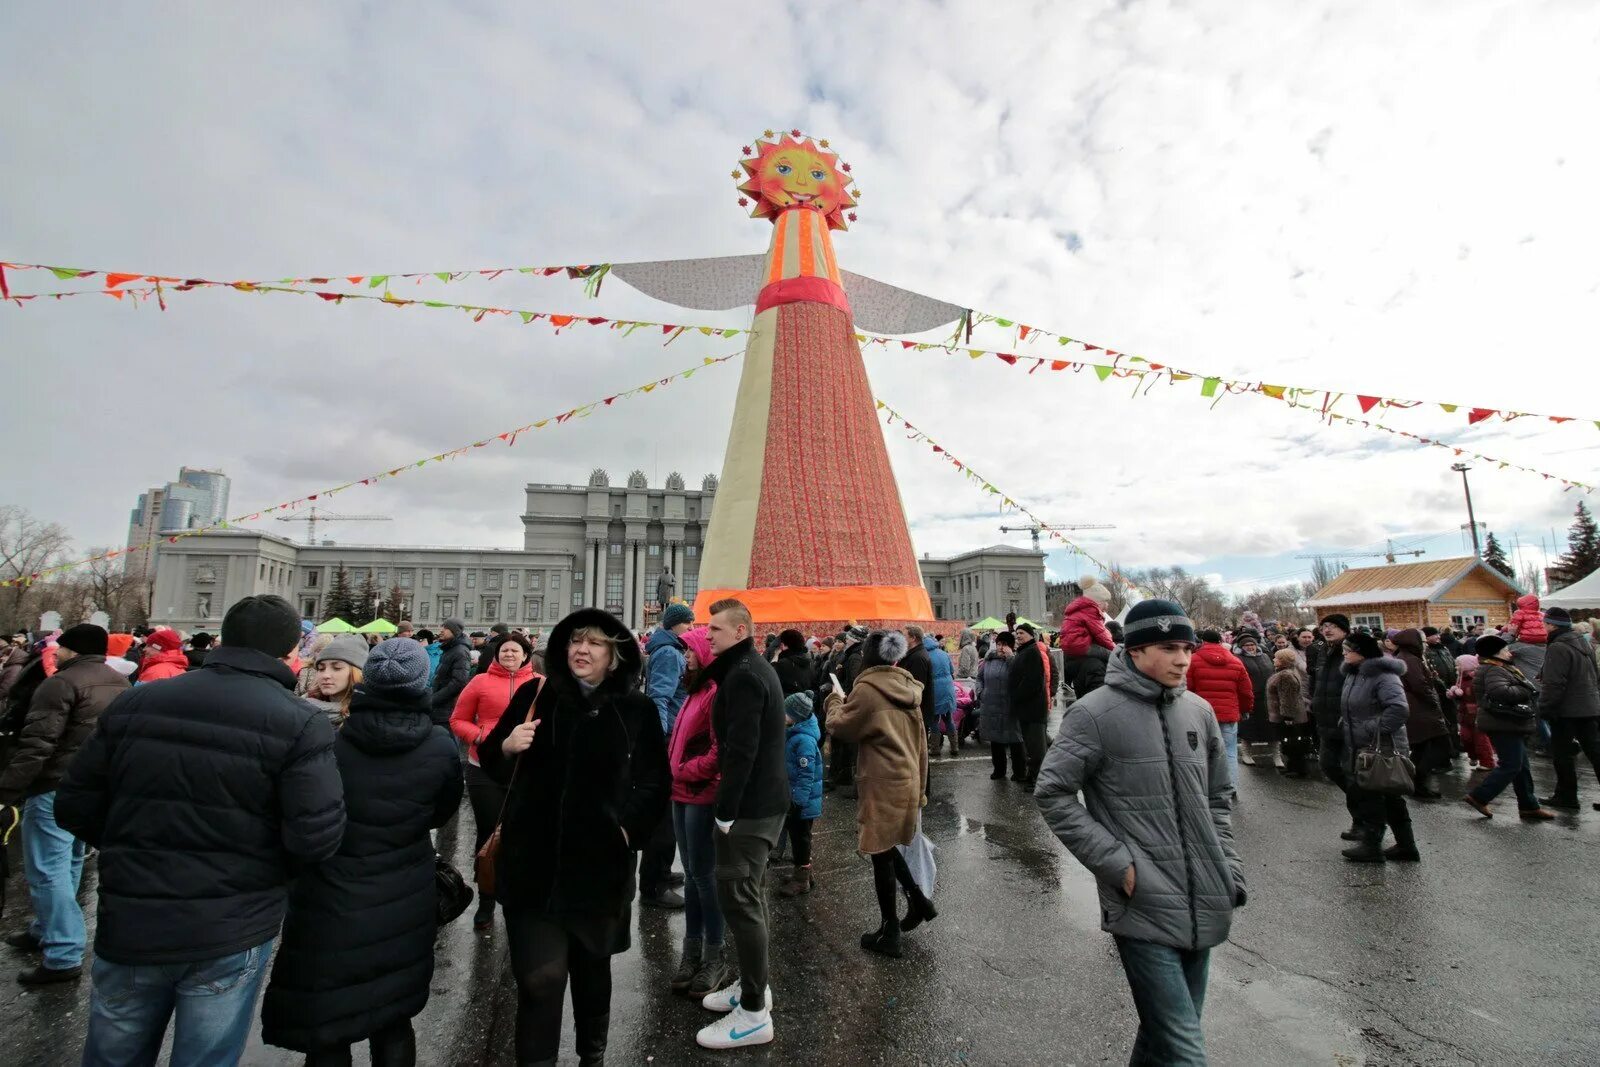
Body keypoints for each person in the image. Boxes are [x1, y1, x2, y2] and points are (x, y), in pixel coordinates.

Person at [56, 595, 346, 1065]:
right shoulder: (299, 721)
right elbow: (315, 837)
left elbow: (74, 806)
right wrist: (260, 873)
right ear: (292, 650)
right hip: (231, 923)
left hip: (134, 915)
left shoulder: (138, 701)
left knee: (114, 1054)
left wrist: (133, 851)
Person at [1035, 599, 1244, 1065]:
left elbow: (1217, 798)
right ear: (1134, 650)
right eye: (1169, 648)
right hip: (1142, 898)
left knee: (1164, 1036)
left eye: (1187, 647)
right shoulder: (1093, 715)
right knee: (1185, 1048)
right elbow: (1052, 793)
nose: (1183, 659)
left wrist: (1228, 867)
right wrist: (1118, 865)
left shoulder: (1199, 712)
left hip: (1206, 893)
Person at [478, 608, 669, 1066]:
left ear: (615, 655)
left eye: (595, 643)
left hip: (599, 869)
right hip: (533, 865)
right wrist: (505, 747)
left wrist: (625, 831)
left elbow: (654, 782)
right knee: (539, 979)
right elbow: (491, 758)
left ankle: (592, 1055)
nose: (582, 650)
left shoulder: (635, 708)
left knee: (591, 969)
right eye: (575, 641)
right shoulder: (535, 694)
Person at [261, 639, 463, 1064]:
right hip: (403, 894)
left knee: (329, 1027)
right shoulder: (439, 745)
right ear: (420, 681)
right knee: (393, 1019)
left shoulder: (323, 738)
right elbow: (439, 814)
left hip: (328, 895)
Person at [0, 624, 129, 985]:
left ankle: (62, 951)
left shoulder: (60, 683)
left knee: (47, 868)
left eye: (60, 647)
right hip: (94, 787)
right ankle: (45, 928)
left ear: (73, 650)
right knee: (70, 861)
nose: (54, 652)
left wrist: (7, 789)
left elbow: (38, 743)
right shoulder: (119, 683)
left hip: (56, 784)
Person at [694, 598, 789, 1051]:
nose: (707, 634)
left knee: (740, 899)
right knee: (749, 895)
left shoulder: (746, 675)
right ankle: (754, 985)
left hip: (749, 810)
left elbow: (743, 750)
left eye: (715, 628)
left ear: (740, 630)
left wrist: (726, 812)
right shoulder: (744, 667)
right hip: (758, 804)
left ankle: (753, 1013)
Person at [825, 630, 933, 959]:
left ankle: (891, 929)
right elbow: (921, 743)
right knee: (885, 848)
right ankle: (918, 900)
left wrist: (834, 700)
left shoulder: (868, 690)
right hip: (907, 777)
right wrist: (922, 787)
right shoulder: (907, 686)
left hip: (882, 780)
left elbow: (841, 726)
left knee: (879, 851)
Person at [450, 630, 538, 930]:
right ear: (496, 655)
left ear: (526, 655)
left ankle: (519, 896)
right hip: (483, 768)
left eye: (515, 651)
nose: (509, 655)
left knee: (523, 833)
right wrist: (483, 737)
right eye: (504, 651)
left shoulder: (539, 685)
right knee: (488, 833)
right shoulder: (480, 682)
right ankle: (486, 900)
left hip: (523, 771)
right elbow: (458, 720)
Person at [666, 625, 733, 1000]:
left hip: (700, 794)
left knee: (704, 877)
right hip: (681, 793)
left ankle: (714, 954)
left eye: (689, 651)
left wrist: (684, 771)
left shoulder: (714, 694)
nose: (685, 656)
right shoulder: (695, 692)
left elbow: (718, 750)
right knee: (692, 876)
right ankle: (691, 952)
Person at [1337, 632, 1417, 863]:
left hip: (1381, 745)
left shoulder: (1383, 676)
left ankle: (1372, 846)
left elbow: (1398, 709)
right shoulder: (1355, 674)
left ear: (1361, 652)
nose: (1344, 653)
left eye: (1347, 649)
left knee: (1373, 794)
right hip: (1361, 744)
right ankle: (1406, 846)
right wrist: (1347, 722)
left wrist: (1371, 728)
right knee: (1386, 796)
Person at [1461, 637, 1555, 820]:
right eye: (1505, 650)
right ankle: (1479, 796)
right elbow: (1501, 692)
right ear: (1495, 652)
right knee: (1511, 765)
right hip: (1502, 723)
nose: (1509, 652)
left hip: (1507, 722)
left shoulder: (1498, 667)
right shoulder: (1493, 669)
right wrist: (1526, 690)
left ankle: (1528, 806)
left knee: (1521, 766)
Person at [641, 602, 696, 911]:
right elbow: (659, 697)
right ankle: (654, 886)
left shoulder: (670, 649)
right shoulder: (669, 653)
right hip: (667, 741)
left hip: (672, 738)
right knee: (662, 818)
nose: (692, 627)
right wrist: (661, 737)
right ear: (676, 624)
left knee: (668, 816)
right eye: (688, 622)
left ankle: (661, 872)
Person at [1536, 607, 1600, 812]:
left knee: (1562, 754)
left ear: (1552, 625)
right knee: (1595, 752)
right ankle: (1565, 795)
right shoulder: (1582, 641)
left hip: (1566, 709)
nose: (1544, 627)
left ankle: (1567, 796)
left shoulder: (1558, 647)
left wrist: (1545, 708)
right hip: (1588, 705)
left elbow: (1554, 683)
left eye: (1545, 623)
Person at [1310, 614, 1364, 838]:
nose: (1327, 630)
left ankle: (1363, 822)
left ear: (1344, 629)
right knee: (1329, 766)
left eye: (1332, 626)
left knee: (1352, 774)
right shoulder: (1325, 651)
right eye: (1324, 626)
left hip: (1346, 722)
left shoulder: (1353, 651)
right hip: (1325, 720)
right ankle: (1362, 814)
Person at [1185, 630, 1254, 796]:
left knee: (1203, 752)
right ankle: (1230, 787)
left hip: (1200, 715)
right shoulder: (1235, 661)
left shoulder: (1193, 660)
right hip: (1228, 714)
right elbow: (1245, 691)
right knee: (1229, 752)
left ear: (1202, 641)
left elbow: (1187, 688)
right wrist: (1245, 709)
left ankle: (1207, 788)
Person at [1390, 629, 1451, 800]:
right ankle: (1416, 781)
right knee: (1440, 747)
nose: (1424, 645)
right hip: (1421, 710)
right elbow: (1420, 685)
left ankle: (1416, 783)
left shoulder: (1404, 657)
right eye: (1422, 641)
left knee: (1421, 748)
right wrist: (1433, 698)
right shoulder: (1410, 659)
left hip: (1416, 709)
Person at [778, 691, 824, 897]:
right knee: (799, 838)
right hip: (797, 797)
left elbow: (806, 774)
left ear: (796, 716)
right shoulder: (795, 732)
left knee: (801, 840)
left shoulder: (804, 740)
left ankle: (802, 879)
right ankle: (804, 872)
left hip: (802, 801)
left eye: (786, 712)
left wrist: (798, 800)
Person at [975, 631, 1023, 780]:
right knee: (995, 740)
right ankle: (999, 770)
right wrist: (981, 693)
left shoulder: (1016, 660)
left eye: (1005, 644)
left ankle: (1020, 771)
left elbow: (1020, 676)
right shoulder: (989, 660)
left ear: (1012, 646)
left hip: (1010, 706)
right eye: (999, 644)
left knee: (1015, 739)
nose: (1001, 647)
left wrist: (1010, 658)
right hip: (991, 705)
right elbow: (979, 678)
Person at [1008, 623, 1051, 786]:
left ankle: (1038, 780)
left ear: (1031, 635)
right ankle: (1033, 775)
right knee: (1031, 746)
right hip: (1026, 708)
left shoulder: (1032, 652)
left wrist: (1017, 696)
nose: (1018, 636)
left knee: (1037, 749)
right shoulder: (1024, 651)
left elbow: (1032, 682)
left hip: (1033, 709)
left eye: (1022, 633)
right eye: (1017, 633)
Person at [303, 634, 368, 728]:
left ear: (356, 672)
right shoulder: (302, 705)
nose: (326, 675)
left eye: (337, 668)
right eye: (321, 668)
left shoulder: (367, 718)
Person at [1266, 647, 1312, 777]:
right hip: (1288, 715)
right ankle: (1293, 767)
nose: (1274, 659)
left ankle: (1298, 769)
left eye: (1277, 658)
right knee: (1290, 743)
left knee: (1293, 743)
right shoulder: (1286, 673)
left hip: (1289, 716)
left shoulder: (1285, 675)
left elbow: (1287, 698)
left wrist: (1287, 716)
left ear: (1283, 661)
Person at [1234, 633, 1274, 768]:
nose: (1250, 647)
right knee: (1248, 727)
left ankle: (1276, 754)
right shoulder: (1238, 658)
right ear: (1241, 647)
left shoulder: (1265, 657)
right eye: (1247, 645)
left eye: (1252, 644)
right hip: (1249, 696)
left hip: (1267, 697)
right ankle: (1246, 754)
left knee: (1271, 727)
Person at [1451, 654, 1497, 771]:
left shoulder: (1477, 679)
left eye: (1458, 665)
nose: (1456, 667)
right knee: (1465, 737)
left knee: (1481, 740)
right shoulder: (1460, 679)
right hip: (1464, 714)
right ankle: (1473, 756)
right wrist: (1454, 693)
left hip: (1477, 715)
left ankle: (1487, 762)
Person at [429, 618, 473, 727]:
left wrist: (434, 699)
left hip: (446, 708)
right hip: (440, 706)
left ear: (455, 631)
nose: (441, 630)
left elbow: (458, 682)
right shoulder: (450, 649)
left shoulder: (460, 651)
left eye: (446, 628)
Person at [922, 629, 958, 755]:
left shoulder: (925, 656)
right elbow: (952, 670)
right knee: (948, 719)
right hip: (948, 688)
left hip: (935, 690)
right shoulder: (944, 654)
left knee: (933, 720)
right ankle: (954, 747)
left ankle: (935, 748)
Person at [771, 628, 812, 696]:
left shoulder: (783, 664)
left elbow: (771, 677)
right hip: (807, 702)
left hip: (788, 702)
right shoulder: (809, 660)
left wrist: (776, 655)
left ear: (783, 645)